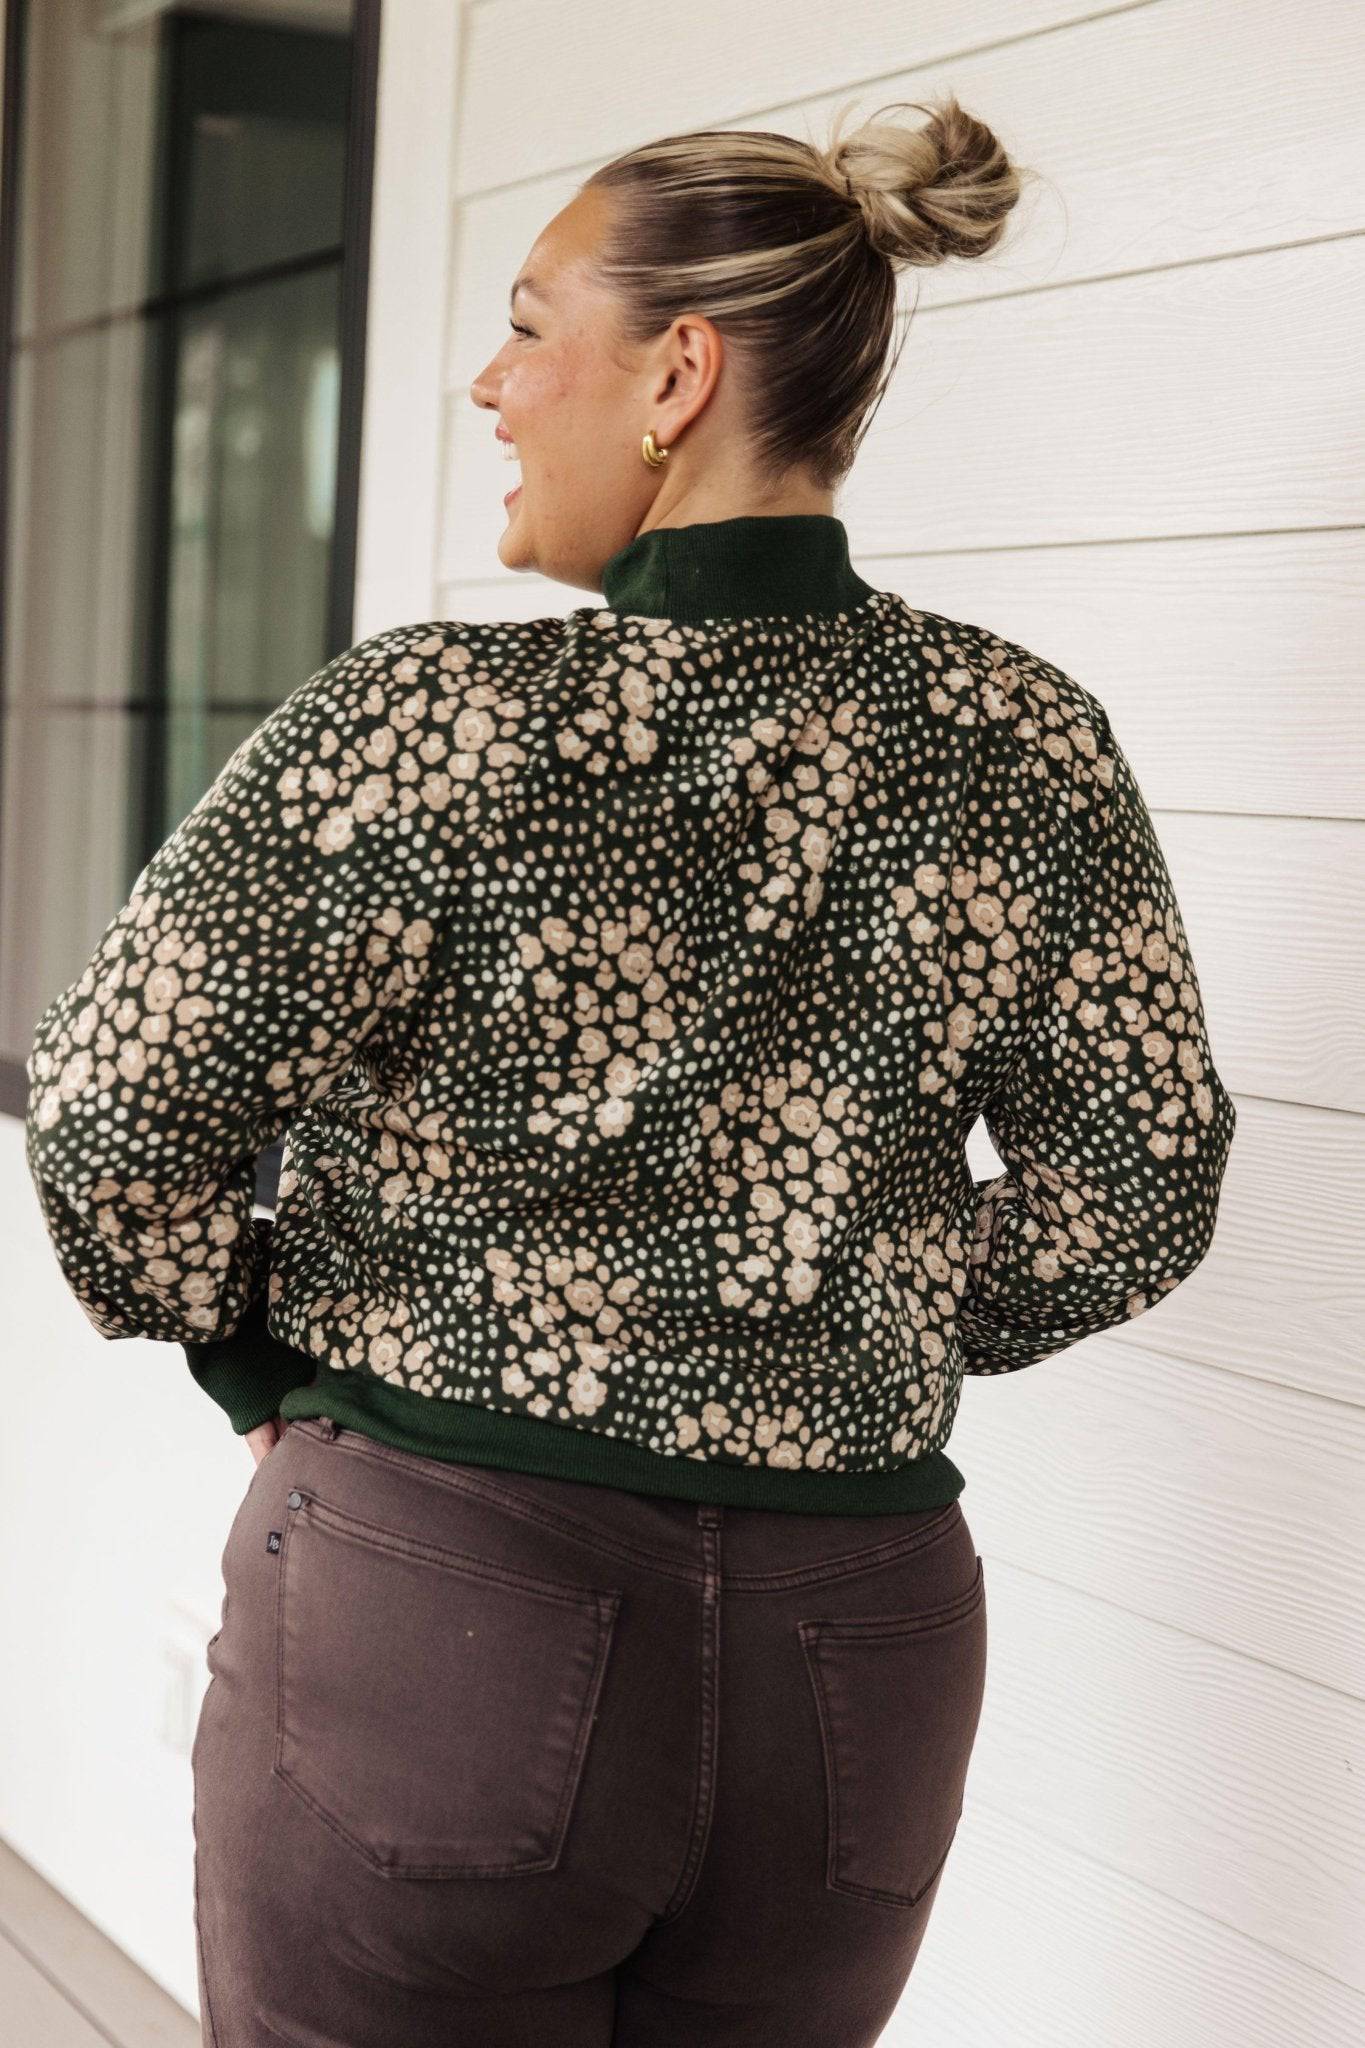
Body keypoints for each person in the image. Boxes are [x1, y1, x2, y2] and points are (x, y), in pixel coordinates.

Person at [24, 95, 1237, 2048]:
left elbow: (114, 1109)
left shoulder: (432, 721)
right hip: (859, 1656)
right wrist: (843, 1314)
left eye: (528, 326)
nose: (489, 385)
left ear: (676, 375)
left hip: (444, 1604)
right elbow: (1140, 1185)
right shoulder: (1019, 739)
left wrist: (259, 1357)